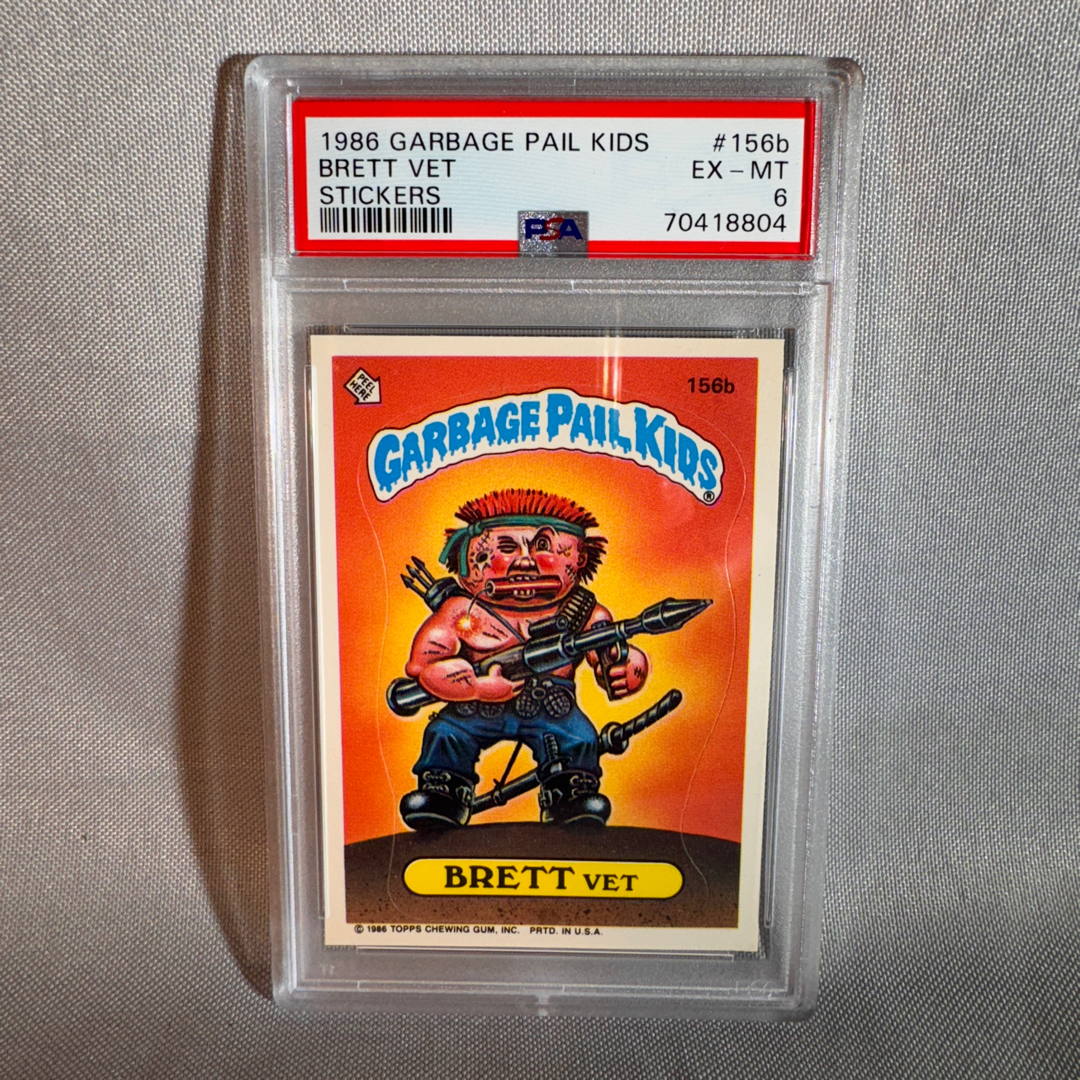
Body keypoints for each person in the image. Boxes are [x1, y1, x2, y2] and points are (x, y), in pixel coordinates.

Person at [399, 489, 649, 829]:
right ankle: (444, 791)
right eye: (505, 548)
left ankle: (570, 794)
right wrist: (475, 687)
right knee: (446, 733)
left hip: (554, 707)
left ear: (578, 559)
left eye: (544, 547)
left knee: (579, 740)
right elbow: (424, 666)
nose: (525, 562)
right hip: (474, 707)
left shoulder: (583, 612)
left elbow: (612, 654)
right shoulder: (461, 611)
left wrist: (628, 667)